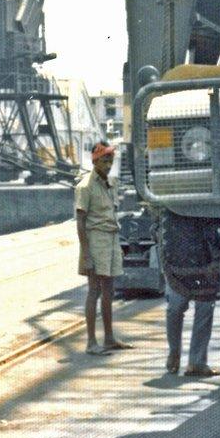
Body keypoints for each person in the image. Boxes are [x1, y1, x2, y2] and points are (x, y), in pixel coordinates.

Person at [76, 141, 132, 356]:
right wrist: (87, 254)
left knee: (109, 290)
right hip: (95, 239)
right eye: (104, 160)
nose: (108, 164)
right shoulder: (85, 186)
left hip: (111, 238)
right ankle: (91, 342)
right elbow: (80, 222)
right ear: (95, 161)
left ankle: (109, 338)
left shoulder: (111, 183)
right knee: (94, 290)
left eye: (110, 160)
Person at [163, 213, 220, 377]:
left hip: (207, 256)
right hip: (179, 257)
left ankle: (197, 362)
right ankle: (175, 352)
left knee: (204, 307)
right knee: (175, 308)